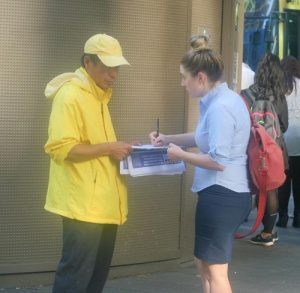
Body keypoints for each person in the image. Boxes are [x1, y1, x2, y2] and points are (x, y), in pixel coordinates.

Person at [150, 47, 251, 293]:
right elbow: (204, 137)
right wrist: (168, 139)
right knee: (205, 265)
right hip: (223, 194)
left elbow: (218, 160)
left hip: (222, 195)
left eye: (185, 77)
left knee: (214, 270)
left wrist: (180, 155)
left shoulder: (220, 108)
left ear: (201, 77)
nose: (182, 83)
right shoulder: (221, 101)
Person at [44, 34, 132, 293]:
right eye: (107, 66)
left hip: (103, 203)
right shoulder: (71, 95)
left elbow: (96, 147)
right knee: (75, 277)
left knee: (95, 276)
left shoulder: (99, 96)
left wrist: (124, 151)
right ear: (87, 62)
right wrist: (110, 147)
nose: (113, 74)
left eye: (116, 67)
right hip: (82, 205)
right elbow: (62, 148)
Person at [241, 53, 288, 246]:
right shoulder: (279, 97)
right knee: (271, 190)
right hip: (274, 150)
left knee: (245, 185)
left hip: (250, 148)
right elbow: (284, 125)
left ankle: (236, 224)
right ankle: (268, 232)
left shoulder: (246, 94)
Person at [277, 56, 300, 228]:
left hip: (283, 138)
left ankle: (283, 217)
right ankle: (298, 218)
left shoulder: (279, 88)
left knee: (283, 181)